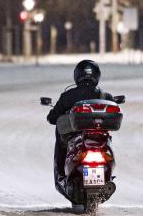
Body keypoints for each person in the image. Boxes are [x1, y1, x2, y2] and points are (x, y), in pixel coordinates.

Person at [46, 59, 113, 194]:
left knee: (60, 137)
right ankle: (108, 175)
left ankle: (60, 172)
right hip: (97, 139)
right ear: (97, 75)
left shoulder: (67, 96)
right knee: (108, 140)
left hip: (76, 138)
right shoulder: (105, 96)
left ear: (77, 75)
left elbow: (52, 118)